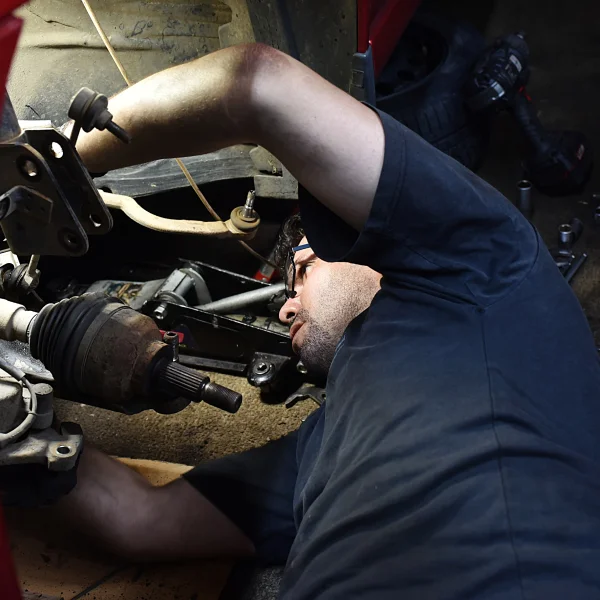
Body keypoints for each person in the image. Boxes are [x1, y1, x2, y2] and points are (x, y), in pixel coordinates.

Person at [56, 43, 600, 598]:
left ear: (353, 245)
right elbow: (140, 521)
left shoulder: (491, 267)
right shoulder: (320, 444)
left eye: (300, 276)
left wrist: (55, 163)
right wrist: (22, 421)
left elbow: (254, 84)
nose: (287, 307)